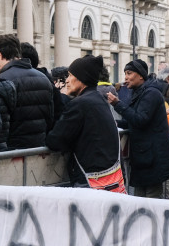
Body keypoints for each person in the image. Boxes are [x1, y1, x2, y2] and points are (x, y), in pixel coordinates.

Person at [45, 55, 124, 192]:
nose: (67, 80)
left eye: (70, 75)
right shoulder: (99, 98)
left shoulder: (80, 104)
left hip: (89, 181)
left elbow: (55, 141)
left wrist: (62, 98)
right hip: (110, 177)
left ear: (81, 78)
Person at [105, 60, 169, 197]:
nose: (126, 77)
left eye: (129, 73)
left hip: (153, 158)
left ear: (141, 76)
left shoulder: (151, 93)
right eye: (125, 73)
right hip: (143, 158)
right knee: (139, 201)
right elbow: (132, 121)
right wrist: (114, 123)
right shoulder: (139, 92)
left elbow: (140, 120)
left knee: (151, 203)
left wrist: (117, 104)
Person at [0, 34, 58, 149]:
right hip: (38, 148)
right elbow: (50, 117)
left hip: (12, 150)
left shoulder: (2, 80)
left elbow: (0, 122)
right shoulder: (44, 78)